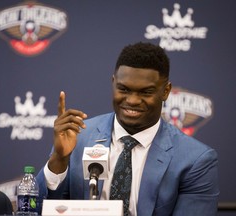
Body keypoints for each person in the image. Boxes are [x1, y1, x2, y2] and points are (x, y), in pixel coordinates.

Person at [36, 42, 219, 215]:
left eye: (145, 92)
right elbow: (35, 209)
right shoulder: (78, 137)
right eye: (123, 89)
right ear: (113, 82)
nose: (132, 100)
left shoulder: (194, 160)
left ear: (165, 91)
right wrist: (58, 160)